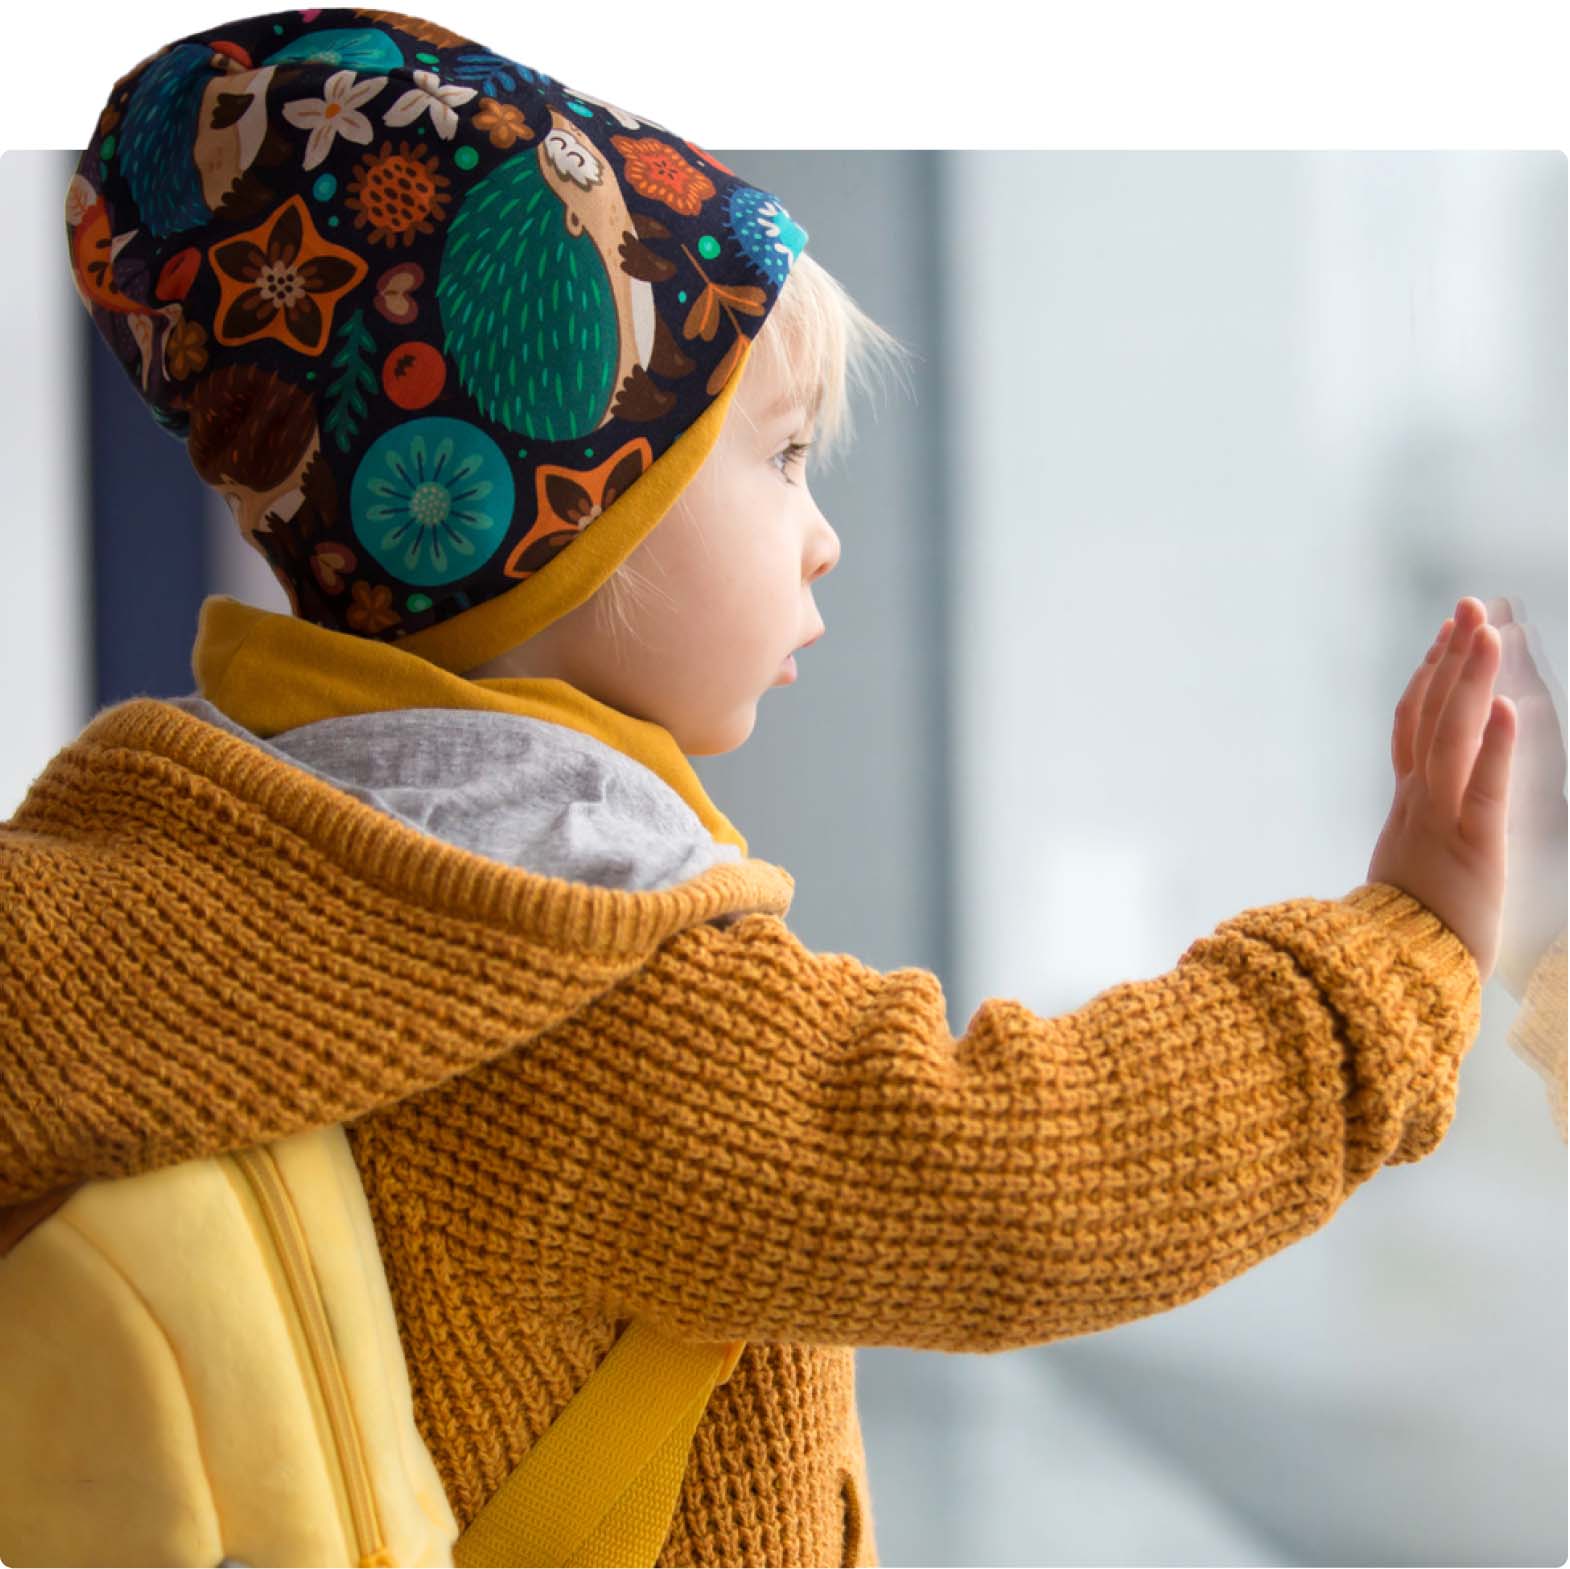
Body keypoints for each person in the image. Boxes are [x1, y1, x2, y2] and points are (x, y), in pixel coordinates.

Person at [1, 7, 1562, 1567]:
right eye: (785, 456)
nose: (820, 534)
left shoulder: (200, 868)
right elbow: (1018, 1177)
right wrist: (1395, 954)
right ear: (578, 523)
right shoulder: (580, 981)